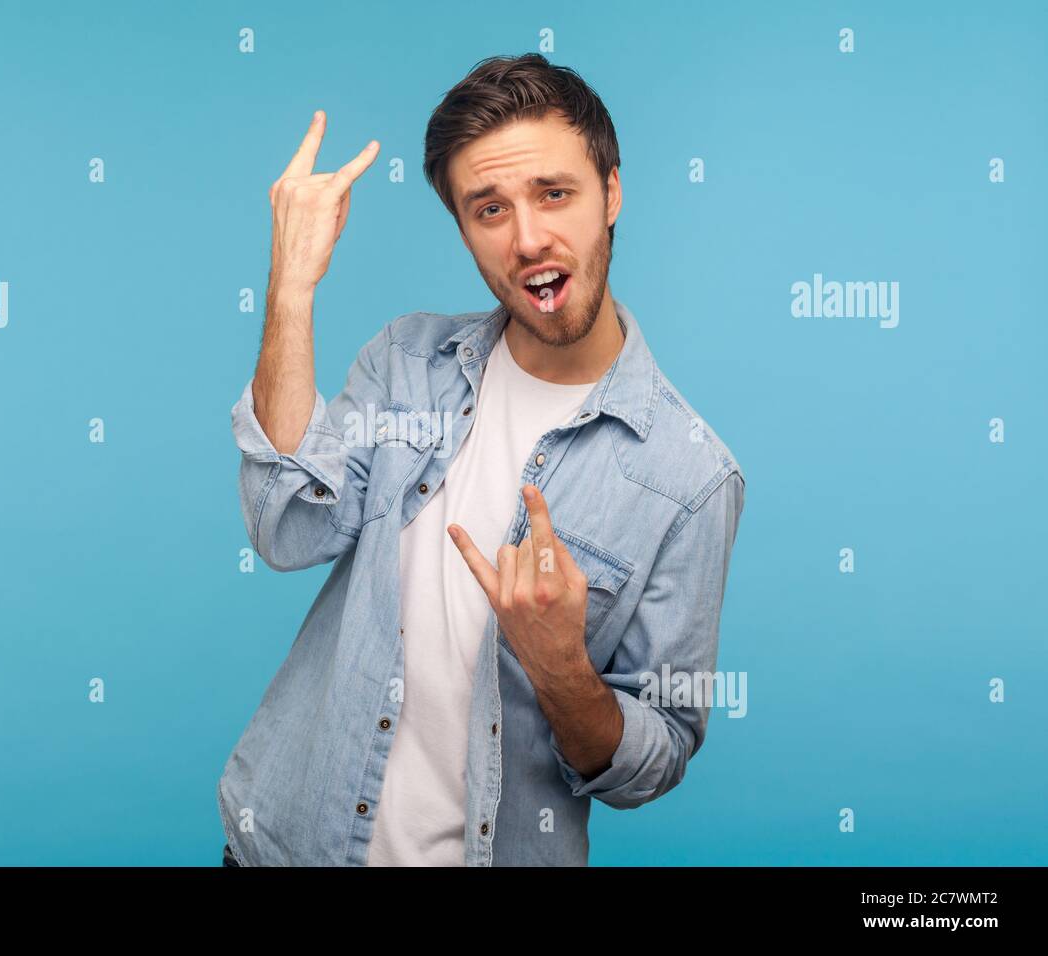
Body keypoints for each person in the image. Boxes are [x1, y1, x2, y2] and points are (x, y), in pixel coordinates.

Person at [218, 53, 745, 867]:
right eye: (489, 208)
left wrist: (560, 665)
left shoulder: (691, 476)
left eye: (555, 194)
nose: (528, 236)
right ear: (463, 228)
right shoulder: (407, 363)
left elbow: (655, 758)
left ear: (612, 193)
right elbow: (288, 528)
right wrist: (290, 284)